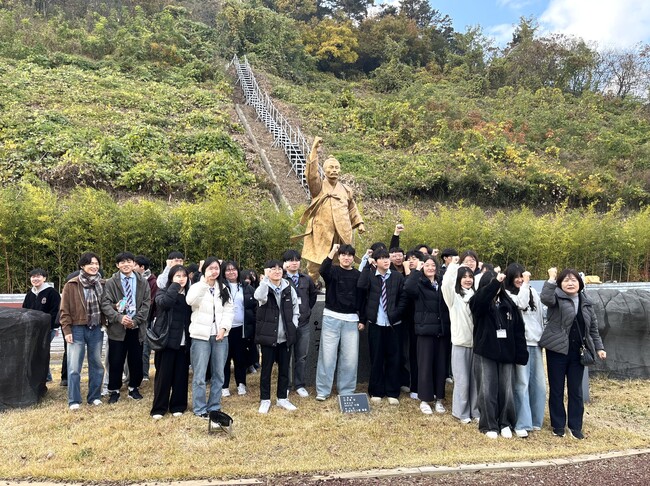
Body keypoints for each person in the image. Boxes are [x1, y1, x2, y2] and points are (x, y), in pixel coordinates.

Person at [539, 267, 606, 440]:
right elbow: (545, 297)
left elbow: (593, 329)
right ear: (560, 284)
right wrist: (551, 278)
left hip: (578, 352)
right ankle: (558, 425)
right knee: (556, 389)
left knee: (576, 390)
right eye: (566, 280)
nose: (570, 283)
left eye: (574, 280)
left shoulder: (587, 302)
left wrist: (599, 348)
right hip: (557, 350)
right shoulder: (555, 298)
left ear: (580, 283)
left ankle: (575, 426)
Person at [292, 137, 365, 284]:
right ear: (324, 170)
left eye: (336, 167)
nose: (334, 170)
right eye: (331, 167)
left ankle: (338, 288)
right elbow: (311, 175)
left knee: (340, 263)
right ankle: (309, 288)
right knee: (315, 265)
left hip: (341, 231)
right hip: (322, 230)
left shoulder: (346, 189)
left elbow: (352, 207)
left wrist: (359, 223)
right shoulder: (318, 187)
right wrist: (314, 150)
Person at [470, 271, 528, 439]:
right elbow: (479, 302)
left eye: (498, 284)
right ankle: (489, 424)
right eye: (491, 284)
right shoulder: (479, 302)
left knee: (507, 390)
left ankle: (505, 422)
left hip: (507, 352)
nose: (495, 287)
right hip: (485, 352)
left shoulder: (508, 303)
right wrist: (494, 283)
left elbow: (518, 330)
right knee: (486, 389)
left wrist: (521, 354)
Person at [186, 257, 233, 418]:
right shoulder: (197, 287)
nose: (214, 271)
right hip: (200, 336)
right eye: (210, 268)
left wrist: (224, 328)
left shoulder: (224, 288)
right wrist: (204, 283)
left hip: (220, 336)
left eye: (216, 268)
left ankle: (214, 406)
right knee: (199, 375)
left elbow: (229, 310)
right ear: (204, 270)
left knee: (219, 373)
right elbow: (190, 301)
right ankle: (199, 408)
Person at [101, 252, 151, 403]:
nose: (126, 264)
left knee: (136, 359)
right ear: (117, 265)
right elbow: (105, 304)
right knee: (115, 360)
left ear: (134, 263)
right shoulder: (111, 282)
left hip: (136, 327)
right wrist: (119, 317)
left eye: (129, 261)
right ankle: (114, 390)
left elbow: (146, 304)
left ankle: (133, 388)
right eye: (122, 262)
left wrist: (135, 321)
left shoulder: (142, 281)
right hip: (117, 328)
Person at [315, 244, 363, 400]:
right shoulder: (333, 271)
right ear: (339, 256)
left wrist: (362, 319)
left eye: (349, 255)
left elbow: (362, 298)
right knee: (327, 356)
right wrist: (332, 251)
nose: (346, 258)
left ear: (353, 258)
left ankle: (347, 390)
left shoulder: (358, 275)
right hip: (331, 317)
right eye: (343, 255)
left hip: (351, 319)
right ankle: (323, 390)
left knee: (350, 358)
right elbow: (322, 270)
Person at [358, 248, 405, 405]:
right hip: (376, 323)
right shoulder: (371, 276)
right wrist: (367, 265)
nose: (386, 261)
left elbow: (403, 297)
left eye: (387, 258)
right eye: (382, 258)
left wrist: (397, 313)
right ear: (376, 261)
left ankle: (392, 391)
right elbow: (361, 286)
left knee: (394, 358)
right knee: (376, 358)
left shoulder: (397, 277)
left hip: (394, 324)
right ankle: (376, 390)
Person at [504, 263, 546, 438]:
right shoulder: (507, 294)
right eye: (516, 276)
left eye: (522, 276)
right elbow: (520, 304)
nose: (520, 279)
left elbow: (539, 316)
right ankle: (522, 422)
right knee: (521, 384)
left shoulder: (533, 292)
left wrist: (542, 337)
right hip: (520, 343)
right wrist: (526, 284)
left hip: (535, 342)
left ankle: (536, 419)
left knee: (539, 385)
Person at [59, 252, 105, 410]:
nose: (94, 266)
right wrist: (67, 330)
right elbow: (64, 310)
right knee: (74, 367)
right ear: (82, 266)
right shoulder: (71, 284)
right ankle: (74, 400)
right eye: (91, 263)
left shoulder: (102, 284)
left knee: (97, 364)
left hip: (96, 327)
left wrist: (116, 306)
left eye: (96, 263)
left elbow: (105, 305)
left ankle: (95, 397)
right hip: (76, 328)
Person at [403, 256, 448, 415]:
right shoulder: (419, 283)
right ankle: (425, 399)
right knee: (425, 366)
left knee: (441, 366)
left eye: (433, 265)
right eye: (427, 265)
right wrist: (416, 270)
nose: (430, 268)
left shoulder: (442, 283)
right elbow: (408, 288)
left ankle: (439, 399)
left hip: (442, 331)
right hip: (425, 331)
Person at [254, 260, 300, 413]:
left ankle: (282, 398)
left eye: (279, 268)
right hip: (268, 337)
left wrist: (293, 325)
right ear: (267, 271)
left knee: (284, 369)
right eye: (273, 269)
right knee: (266, 370)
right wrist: (265, 280)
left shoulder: (288, 288)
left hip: (285, 336)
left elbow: (295, 308)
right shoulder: (264, 287)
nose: (277, 271)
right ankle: (265, 399)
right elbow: (258, 297)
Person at [150, 265, 192, 419]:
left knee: (181, 375)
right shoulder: (162, 292)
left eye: (184, 276)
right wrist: (175, 286)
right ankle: (159, 408)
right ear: (171, 278)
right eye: (177, 276)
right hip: (166, 341)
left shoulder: (190, 294)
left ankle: (178, 405)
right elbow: (165, 303)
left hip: (184, 341)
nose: (181, 279)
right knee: (163, 376)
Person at [441, 257, 479, 424]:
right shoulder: (453, 297)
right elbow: (445, 285)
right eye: (464, 277)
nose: (468, 279)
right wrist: (453, 266)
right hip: (460, 343)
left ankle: (476, 411)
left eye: (470, 276)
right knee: (462, 380)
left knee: (476, 380)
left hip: (476, 344)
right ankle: (461, 412)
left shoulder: (476, 296)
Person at [283, 249, 318, 398]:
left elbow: (313, 296)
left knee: (301, 356)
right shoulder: (281, 278)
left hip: (303, 323)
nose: (294, 263)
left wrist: (306, 310)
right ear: (285, 263)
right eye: (291, 260)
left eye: (297, 260)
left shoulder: (306, 279)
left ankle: (299, 384)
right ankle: (285, 385)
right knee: (285, 357)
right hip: (286, 325)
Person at [221, 260, 256, 397]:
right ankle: (224, 386)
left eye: (233, 269)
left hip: (241, 328)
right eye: (228, 270)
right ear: (224, 272)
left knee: (240, 358)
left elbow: (253, 308)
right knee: (225, 358)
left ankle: (241, 383)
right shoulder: (220, 287)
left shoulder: (246, 287)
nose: (231, 272)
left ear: (238, 271)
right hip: (225, 329)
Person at [22, 268, 61, 383]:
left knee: (41, 351)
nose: (35, 279)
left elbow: (56, 311)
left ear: (44, 278)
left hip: (48, 329)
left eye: (38, 276)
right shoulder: (30, 294)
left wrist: (49, 325)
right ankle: (46, 376)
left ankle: (46, 377)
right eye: (33, 277)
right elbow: (25, 311)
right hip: (33, 330)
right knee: (36, 352)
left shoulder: (52, 292)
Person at [134, 255, 158, 381]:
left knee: (145, 346)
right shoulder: (133, 279)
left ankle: (144, 374)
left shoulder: (153, 282)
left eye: (134, 265)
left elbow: (151, 302)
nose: (132, 267)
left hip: (147, 318)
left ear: (142, 267)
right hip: (134, 317)